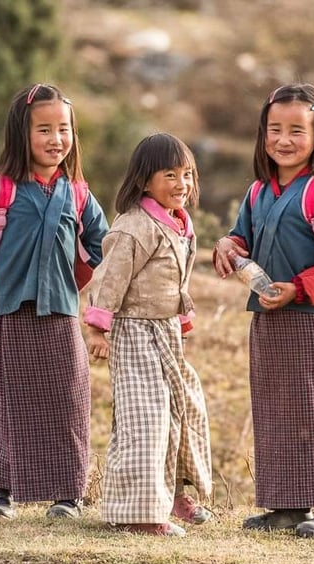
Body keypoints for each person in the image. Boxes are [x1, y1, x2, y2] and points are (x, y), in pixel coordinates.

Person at [0, 83, 109, 520]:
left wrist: (73, 279)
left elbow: (101, 245)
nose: (56, 139)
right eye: (44, 130)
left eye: (64, 129)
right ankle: (1, 492)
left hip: (61, 315)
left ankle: (67, 495)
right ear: (21, 135)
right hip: (7, 311)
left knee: (68, 402)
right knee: (4, 402)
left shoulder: (79, 195)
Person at [213, 83, 314, 538]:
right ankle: (288, 506)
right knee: (276, 410)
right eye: (274, 129)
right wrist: (228, 245)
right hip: (269, 320)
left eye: (297, 130)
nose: (283, 139)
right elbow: (243, 238)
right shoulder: (258, 192)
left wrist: (296, 290)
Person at [84, 132, 213, 537]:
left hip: (166, 332)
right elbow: (109, 278)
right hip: (135, 332)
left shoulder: (179, 224)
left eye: (187, 175)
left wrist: (182, 319)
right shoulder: (134, 227)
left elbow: (176, 280)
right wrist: (98, 329)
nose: (182, 184)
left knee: (180, 412)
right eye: (170, 175)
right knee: (146, 420)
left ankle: (170, 494)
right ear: (144, 181)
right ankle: (138, 513)